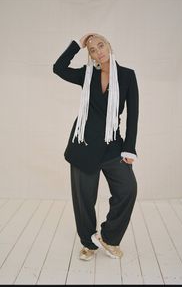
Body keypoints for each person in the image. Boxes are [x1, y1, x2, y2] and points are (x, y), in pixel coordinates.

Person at [53, 33, 139, 261]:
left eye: (100, 45)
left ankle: (109, 237)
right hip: (83, 145)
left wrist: (129, 148)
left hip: (112, 146)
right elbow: (58, 68)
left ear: (109, 45)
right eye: (92, 49)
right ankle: (87, 243)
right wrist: (77, 44)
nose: (98, 51)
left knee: (127, 189)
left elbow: (133, 115)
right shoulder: (87, 74)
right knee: (84, 199)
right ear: (89, 54)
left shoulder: (128, 76)